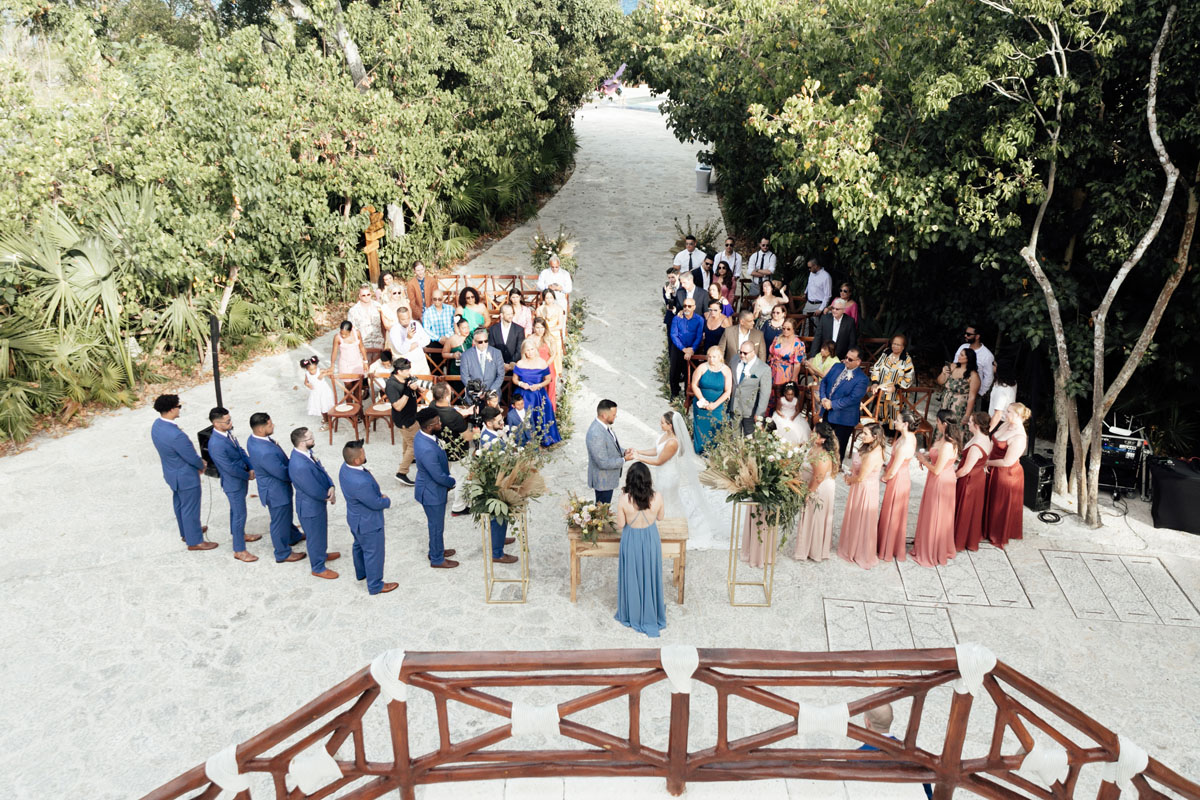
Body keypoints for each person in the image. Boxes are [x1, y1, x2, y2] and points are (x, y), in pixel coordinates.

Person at [614, 462, 669, 639]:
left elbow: (621, 524)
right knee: (650, 574)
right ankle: (651, 609)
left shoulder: (624, 499)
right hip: (651, 539)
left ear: (629, 479)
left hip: (631, 539)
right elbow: (660, 517)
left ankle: (633, 612)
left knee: (632, 575)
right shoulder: (658, 497)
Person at [151, 394, 213, 551]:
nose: (179, 409)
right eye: (179, 407)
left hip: (171, 472)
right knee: (190, 507)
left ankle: (187, 532)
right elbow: (190, 456)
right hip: (185, 475)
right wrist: (201, 465)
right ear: (172, 410)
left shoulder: (157, 426)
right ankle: (195, 541)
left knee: (180, 504)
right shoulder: (176, 435)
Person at [245, 412, 306, 563]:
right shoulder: (264, 452)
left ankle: (293, 536)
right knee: (279, 521)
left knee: (285, 516)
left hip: (272, 488)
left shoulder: (254, 439)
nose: (273, 426)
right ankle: (282, 552)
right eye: (270, 425)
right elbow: (282, 472)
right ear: (260, 429)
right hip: (276, 491)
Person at [338, 440, 396, 594]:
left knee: (358, 546)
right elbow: (375, 503)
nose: (365, 455)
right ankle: (375, 585)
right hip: (368, 522)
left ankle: (362, 573)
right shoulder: (360, 482)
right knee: (374, 553)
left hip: (355, 518)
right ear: (356, 460)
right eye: (363, 453)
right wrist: (386, 500)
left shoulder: (345, 468)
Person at [206, 406, 263, 562]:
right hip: (233, 483)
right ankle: (239, 549)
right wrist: (247, 475)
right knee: (239, 514)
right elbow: (228, 468)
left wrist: (250, 466)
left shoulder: (227, 433)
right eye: (227, 421)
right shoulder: (216, 444)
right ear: (216, 424)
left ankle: (239, 534)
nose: (230, 423)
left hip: (240, 479)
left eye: (230, 419)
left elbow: (240, 451)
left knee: (236, 511)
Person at [287, 427, 341, 579]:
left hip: (316, 504)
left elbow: (321, 470)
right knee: (314, 537)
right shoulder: (300, 465)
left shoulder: (307, 454)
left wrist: (331, 485)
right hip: (310, 507)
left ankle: (321, 554)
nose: (314, 439)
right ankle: (318, 567)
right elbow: (312, 488)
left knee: (320, 532)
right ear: (303, 443)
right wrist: (328, 496)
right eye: (311, 438)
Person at [413, 407, 460, 569]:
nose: (441, 423)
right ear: (429, 426)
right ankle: (437, 558)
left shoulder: (423, 436)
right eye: (438, 422)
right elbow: (438, 476)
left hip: (431, 488)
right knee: (436, 526)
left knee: (436, 525)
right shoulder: (426, 448)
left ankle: (436, 549)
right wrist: (452, 481)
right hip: (432, 493)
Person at [856, 705, 935, 800]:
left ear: (867, 722)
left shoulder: (855, 757)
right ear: (892, 719)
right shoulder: (917, 755)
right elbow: (928, 794)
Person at [912, 420, 961, 567]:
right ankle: (929, 544)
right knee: (932, 511)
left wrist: (923, 460)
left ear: (944, 423)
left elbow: (937, 470)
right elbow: (936, 456)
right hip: (935, 480)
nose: (936, 424)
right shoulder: (942, 439)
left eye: (938, 422)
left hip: (941, 481)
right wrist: (927, 456)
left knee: (936, 513)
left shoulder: (947, 445)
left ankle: (933, 549)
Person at [837, 422, 884, 569]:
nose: (861, 436)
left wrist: (850, 479)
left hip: (865, 489)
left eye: (865, 434)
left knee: (861, 518)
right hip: (861, 486)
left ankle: (859, 550)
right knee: (856, 516)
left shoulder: (872, 454)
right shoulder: (869, 448)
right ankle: (853, 543)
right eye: (862, 432)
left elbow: (861, 477)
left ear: (875, 437)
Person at [985, 402, 1030, 548]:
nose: (1006, 413)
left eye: (1009, 411)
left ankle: (997, 532)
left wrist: (987, 463)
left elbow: (1007, 462)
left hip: (1006, 474)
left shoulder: (1019, 437)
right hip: (993, 466)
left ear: (1018, 415)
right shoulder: (1006, 424)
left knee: (999, 503)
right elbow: (993, 440)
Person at [792, 423, 839, 561]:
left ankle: (814, 550)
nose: (811, 434)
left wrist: (808, 493)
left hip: (819, 489)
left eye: (814, 433)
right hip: (812, 485)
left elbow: (818, 478)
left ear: (822, 439)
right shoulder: (815, 447)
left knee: (816, 517)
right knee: (810, 516)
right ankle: (807, 546)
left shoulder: (823, 456)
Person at [877, 410, 918, 563]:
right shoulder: (907, 437)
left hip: (898, 480)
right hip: (901, 475)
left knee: (893, 512)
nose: (894, 421)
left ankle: (887, 547)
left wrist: (883, 477)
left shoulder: (906, 444)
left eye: (898, 420)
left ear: (906, 424)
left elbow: (894, 471)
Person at [430, 382, 474, 515]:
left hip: (440, 448)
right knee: (463, 477)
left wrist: (461, 414)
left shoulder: (433, 406)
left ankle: (441, 497)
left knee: (444, 474)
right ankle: (459, 506)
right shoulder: (453, 416)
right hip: (457, 451)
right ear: (446, 396)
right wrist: (476, 432)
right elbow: (467, 437)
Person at [819, 347, 870, 460]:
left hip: (845, 417)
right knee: (824, 442)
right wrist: (823, 398)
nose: (846, 360)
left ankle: (835, 469)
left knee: (838, 447)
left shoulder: (862, 379)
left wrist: (832, 404)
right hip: (827, 410)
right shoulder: (837, 366)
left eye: (850, 359)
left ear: (858, 362)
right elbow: (824, 382)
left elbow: (853, 399)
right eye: (846, 357)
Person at [954, 411, 992, 552]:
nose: (968, 423)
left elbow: (965, 470)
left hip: (970, 480)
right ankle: (967, 538)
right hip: (978, 477)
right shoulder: (985, 438)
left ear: (976, 425)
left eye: (970, 422)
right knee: (971, 510)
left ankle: (959, 539)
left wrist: (952, 477)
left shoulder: (976, 446)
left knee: (965, 508)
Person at [513, 339, 562, 447]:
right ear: (524, 352)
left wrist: (539, 385)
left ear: (535, 349)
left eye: (532, 349)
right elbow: (515, 379)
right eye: (528, 350)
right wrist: (521, 384)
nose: (530, 352)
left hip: (538, 394)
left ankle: (544, 439)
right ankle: (525, 440)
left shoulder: (542, 362)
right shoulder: (520, 363)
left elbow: (548, 379)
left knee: (545, 408)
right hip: (524, 394)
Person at [587, 399, 632, 503]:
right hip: (603, 481)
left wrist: (624, 452)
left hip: (607, 479)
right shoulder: (596, 433)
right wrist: (624, 459)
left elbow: (610, 446)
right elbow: (603, 463)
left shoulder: (603, 426)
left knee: (604, 510)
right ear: (604, 415)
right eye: (613, 414)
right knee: (602, 511)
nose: (615, 416)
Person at [868, 334, 916, 432]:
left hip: (897, 393)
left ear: (903, 347)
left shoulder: (906, 360)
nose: (895, 346)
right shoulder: (886, 353)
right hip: (882, 390)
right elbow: (876, 368)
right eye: (894, 343)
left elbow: (909, 379)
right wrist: (875, 382)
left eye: (898, 345)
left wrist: (896, 386)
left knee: (895, 411)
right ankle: (881, 429)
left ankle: (894, 433)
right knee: (881, 409)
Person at [384, 358, 419, 487]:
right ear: (399, 371)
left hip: (411, 416)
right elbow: (397, 406)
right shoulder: (392, 385)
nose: (409, 371)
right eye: (407, 370)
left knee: (407, 441)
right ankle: (402, 472)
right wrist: (408, 391)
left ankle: (407, 458)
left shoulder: (406, 378)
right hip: (405, 419)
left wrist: (415, 385)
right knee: (414, 445)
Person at [690, 345, 731, 453]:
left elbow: (728, 391)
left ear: (720, 357)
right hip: (702, 403)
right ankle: (699, 450)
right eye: (709, 357)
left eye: (714, 357)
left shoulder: (726, 370)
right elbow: (694, 385)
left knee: (715, 427)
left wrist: (715, 404)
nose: (711, 359)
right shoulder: (702, 368)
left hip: (718, 405)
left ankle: (713, 452)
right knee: (701, 426)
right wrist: (702, 400)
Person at [730, 341, 771, 435]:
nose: (742, 355)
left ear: (753, 352)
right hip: (734, 407)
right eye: (740, 352)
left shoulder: (764, 368)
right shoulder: (734, 360)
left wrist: (760, 414)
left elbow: (765, 393)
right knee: (733, 438)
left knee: (750, 439)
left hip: (750, 410)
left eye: (745, 353)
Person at [668, 296, 703, 399]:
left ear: (694, 307)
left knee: (690, 372)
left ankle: (688, 395)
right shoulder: (677, 318)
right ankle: (674, 392)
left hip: (692, 348)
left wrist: (692, 349)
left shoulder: (699, 320)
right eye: (684, 306)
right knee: (674, 371)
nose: (686, 308)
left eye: (689, 306)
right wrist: (683, 349)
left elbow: (699, 336)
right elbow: (673, 335)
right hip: (679, 348)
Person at [459, 327, 505, 401]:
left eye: (486, 341)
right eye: (480, 342)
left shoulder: (496, 353)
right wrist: (476, 391)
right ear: (474, 342)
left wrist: (490, 391)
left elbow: (501, 374)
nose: (484, 344)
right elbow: (465, 376)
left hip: (493, 396)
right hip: (473, 396)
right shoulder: (466, 355)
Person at [937, 347, 980, 423]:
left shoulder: (973, 376)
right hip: (945, 403)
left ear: (968, 359)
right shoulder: (953, 366)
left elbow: (972, 397)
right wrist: (943, 373)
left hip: (959, 408)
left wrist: (967, 415)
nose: (959, 356)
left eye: (962, 355)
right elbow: (940, 382)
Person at [388, 305, 431, 377]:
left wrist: (416, 344)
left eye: (408, 318)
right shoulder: (394, 330)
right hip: (407, 366)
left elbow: (427, 340)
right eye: (403, 319)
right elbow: (402, 350)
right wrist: (408, 339)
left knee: (427, 385)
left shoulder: (415, 324)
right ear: (398, 318)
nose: (407, 321)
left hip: (421, 361)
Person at [954, 323, 995, 396]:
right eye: (965, 333)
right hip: (955, 388)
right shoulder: (963, 347)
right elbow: (955, 364)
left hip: (973, 392)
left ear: (977, 336)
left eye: (968, 334)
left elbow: (989, 377)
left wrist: (980, 393)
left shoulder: (987, 355)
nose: (965, 336)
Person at [528, 316, 560, 409]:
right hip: (535, 368)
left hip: (548, 366)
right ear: (534, 327)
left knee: (550, 391)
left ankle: (550, 413)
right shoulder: (530, 339)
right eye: (537, 327)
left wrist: (545, 365)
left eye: (542, 327)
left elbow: (553, 354)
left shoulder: (550, 338)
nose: (540, 330)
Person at [769, 318, 806, 391]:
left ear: (793, 329)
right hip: (773, 370)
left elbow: (797, 364)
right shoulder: (777, 339)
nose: (785, 331)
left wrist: (792, 380)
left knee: (784, 395)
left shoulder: (798, 344)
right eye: (784, 328)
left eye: (788, 329)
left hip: (787, 373)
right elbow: (771, 354)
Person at [347, 283, 385, 351]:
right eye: (363, 295)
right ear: (359, 296)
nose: (366, 297)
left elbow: (383, 324)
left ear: (371, 294)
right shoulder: (353, 311)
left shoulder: (378, 306)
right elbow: (352, 330)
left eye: (368, 294)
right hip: (363, 344)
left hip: (379, 343)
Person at [300, 355, 335, 429]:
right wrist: (307, 384)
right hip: (316, 393)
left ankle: (327, 422)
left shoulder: (320, 370)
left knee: (324, 406)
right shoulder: (307, 374)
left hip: (324, 391)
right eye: (311, 369)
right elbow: (305, 382)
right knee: (321, 407)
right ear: (307, 369)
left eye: (315, 368)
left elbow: (331, 371)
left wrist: (323, 374)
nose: (314, 370)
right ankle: (326, 420)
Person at [770, 381, 810, 445]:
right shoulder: (782, 400)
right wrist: (781, 414)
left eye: (792, 394)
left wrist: (794, 416)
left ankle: (797, 442)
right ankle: (782, 441)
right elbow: (777, 409)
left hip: (793, 414)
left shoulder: (795, 400)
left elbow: (798, 410)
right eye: (788, 394)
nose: (790, 396)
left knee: (797, 427)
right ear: (785, 394)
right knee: (783, 425)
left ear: (794, 394)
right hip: (783, 414)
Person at [488, 302, 526, 366]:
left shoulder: (519, 330)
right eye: (508, 314)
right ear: (502, 315)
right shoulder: (493, 329)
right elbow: (491, 348)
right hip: (497, 366)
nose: (511, 316)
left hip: (514, 366)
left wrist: (509, 364)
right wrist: (501, 364)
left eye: (512, 313)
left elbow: (519, 350)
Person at [331, 320, 367, 387]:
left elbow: (362, 347)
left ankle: (358, 398)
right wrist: (332, 365)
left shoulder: (357, 333)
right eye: (342, 333)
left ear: (350, 331)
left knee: (357, 387)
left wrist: (365, 361)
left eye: (346, 334)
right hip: (345, 365)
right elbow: (334, 352)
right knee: (348, 389)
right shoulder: (337, 337)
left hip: (357, 363)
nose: (343, 336)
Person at [988, 361, 1018, 430]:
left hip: (998, 423)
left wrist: (988, 431)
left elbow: (998, 413)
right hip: (1005, 421)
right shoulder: (1012, 383)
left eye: (994, 365)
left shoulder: (1001, 389)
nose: (992, 367)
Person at [537, 288, 568, 354]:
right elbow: (538, 324)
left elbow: (560, 325)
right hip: (543, 333)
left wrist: (549, 329)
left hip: (555, 333)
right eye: (547, 298)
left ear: (554, 298)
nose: (549, 300)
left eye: (551, 297)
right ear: (544, 299)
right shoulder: (540, 309)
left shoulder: (559, 308)